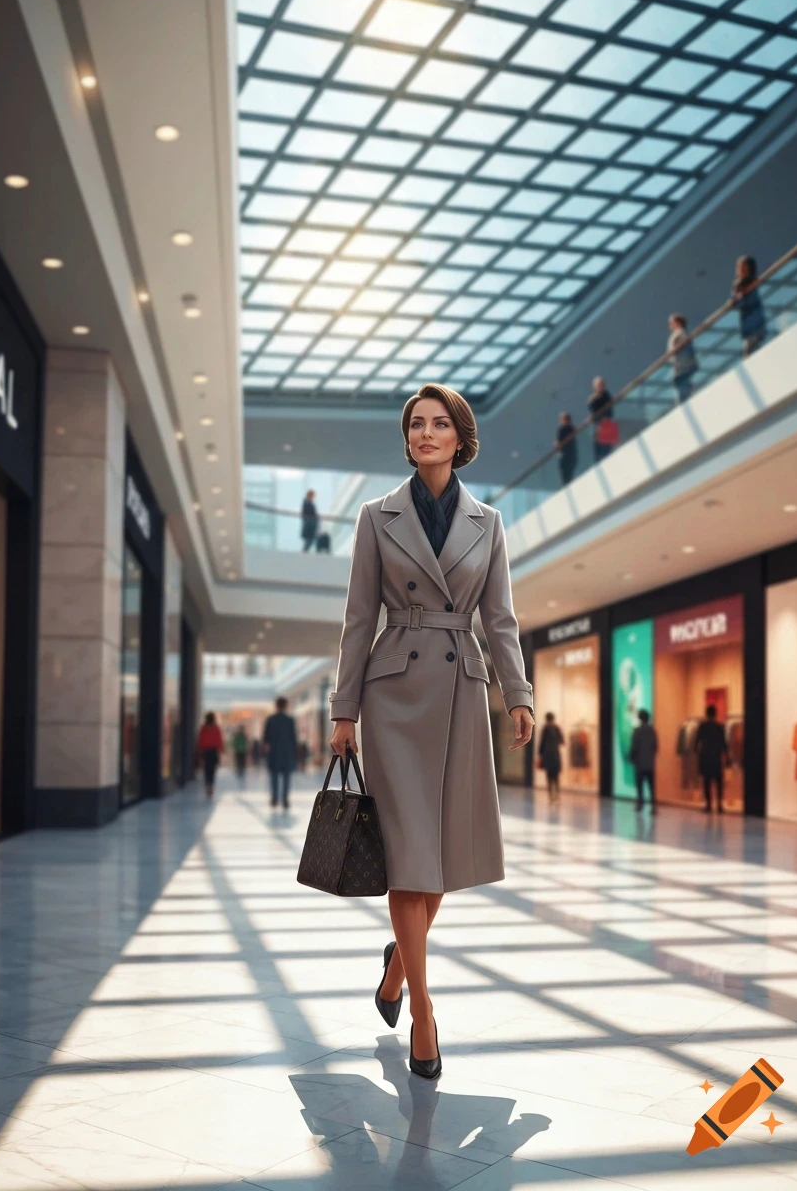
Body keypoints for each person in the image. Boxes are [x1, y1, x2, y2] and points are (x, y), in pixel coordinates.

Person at [329, 381, 534, 1079]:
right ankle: (422, 1009)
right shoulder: (375, 516)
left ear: (459, 437)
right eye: (415, 424)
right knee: (409, 854)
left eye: (437, 424)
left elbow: (499, 619)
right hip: (393, 695)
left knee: (441, 857)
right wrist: (343, 708)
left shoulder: (489, 522)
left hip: (460, 691)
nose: (424, 434)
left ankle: (395, 968)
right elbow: (359, 617)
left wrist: (519, 694)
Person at [263, 696, 298, 809]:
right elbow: (293, 738)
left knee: (274, 776)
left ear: (276, 705)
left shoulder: (270, 719)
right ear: (285, 705)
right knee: (286, 777)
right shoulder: (290, 720)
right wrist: (295, 753)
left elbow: (265, 738)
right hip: (287, 753)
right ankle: (285, 799)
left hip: (274, 753)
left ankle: (274, 799)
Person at [695, 704, 728, 814]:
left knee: (707, 783)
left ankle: (708, 805)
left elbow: (697, 742)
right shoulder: (720, 727)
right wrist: (726, 756)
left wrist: (697, 753)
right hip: (716, 757)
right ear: (715, 714)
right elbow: (724, 743)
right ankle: (719, 805)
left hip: (705, 757)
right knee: (719, 782)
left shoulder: (702, 726)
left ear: (706, 714)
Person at [731, 255, 766, 357]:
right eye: (739, 267)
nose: (740, 269)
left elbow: (749, 301)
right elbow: (736, 304)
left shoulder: (754, 282)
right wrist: (740, 294)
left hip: (756, 323)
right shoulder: (737, 285)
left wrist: (744, 293)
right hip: (747, 326)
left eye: (743, 266)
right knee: (749, 351)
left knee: (752, 351)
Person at [630, 708, 658, 812]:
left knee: (640, 785)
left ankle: (640, 804)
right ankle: (653, 806)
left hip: (639, 763)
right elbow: (655, 747)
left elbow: (634, 746)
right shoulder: (652, 731)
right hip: (650, 763)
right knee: (651, 786)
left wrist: (632, 758)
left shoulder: (637, 731)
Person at [667, 313, 697, 405]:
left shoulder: (681, 333)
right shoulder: (678, 334)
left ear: (678, 323)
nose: (670, 326)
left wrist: (674, 350)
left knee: (683, 389)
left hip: (683, 367)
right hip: (680, 367)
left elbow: (683, 344)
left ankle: (686, 403)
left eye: (672, 323)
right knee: (682, 388)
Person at [588, 376, 616, 463]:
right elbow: (591, 407)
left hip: (606, 426)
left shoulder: (607, 396)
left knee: (607, 451)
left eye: (601, 385)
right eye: (598, 386)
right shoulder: (593, 398)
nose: (600, 387)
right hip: (598, 427)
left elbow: (609, 411)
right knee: (598, 452)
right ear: (594, 387)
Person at [197, 712, 224, 799]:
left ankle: (208, 786)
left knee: (206, 770)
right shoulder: (216, 728)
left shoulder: (204, 729)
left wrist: (200, 751)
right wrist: (221, 750)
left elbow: (201, 740)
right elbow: (219, 740)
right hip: (214, 751)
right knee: (212, 770)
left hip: (205, 751)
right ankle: (211, 787)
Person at [538, 712, 564, 805]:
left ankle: (551, 797)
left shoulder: (545, 728)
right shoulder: (557, 728)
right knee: (556, 777)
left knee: (549, 777)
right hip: (555, 754)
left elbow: (542, 742)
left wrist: (540, 754)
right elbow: (562, 741)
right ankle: (557, 796)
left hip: (547, 755)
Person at [555, 412, 577, 486]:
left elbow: (559, 442)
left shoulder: (563, 428)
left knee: (565, 475)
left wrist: (557, 444)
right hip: (571, 456)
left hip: (566, 456)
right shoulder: (572, 428)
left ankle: (566, 486)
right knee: (569, 475)